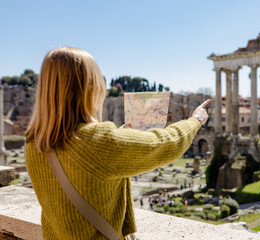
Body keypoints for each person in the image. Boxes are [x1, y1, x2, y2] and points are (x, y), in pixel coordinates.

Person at [24, 47, 210, 240]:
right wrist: (195, 120)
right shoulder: (97, 141)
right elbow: (166, 144)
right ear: (90, 88)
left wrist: (117, 139)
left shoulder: (32, 143)